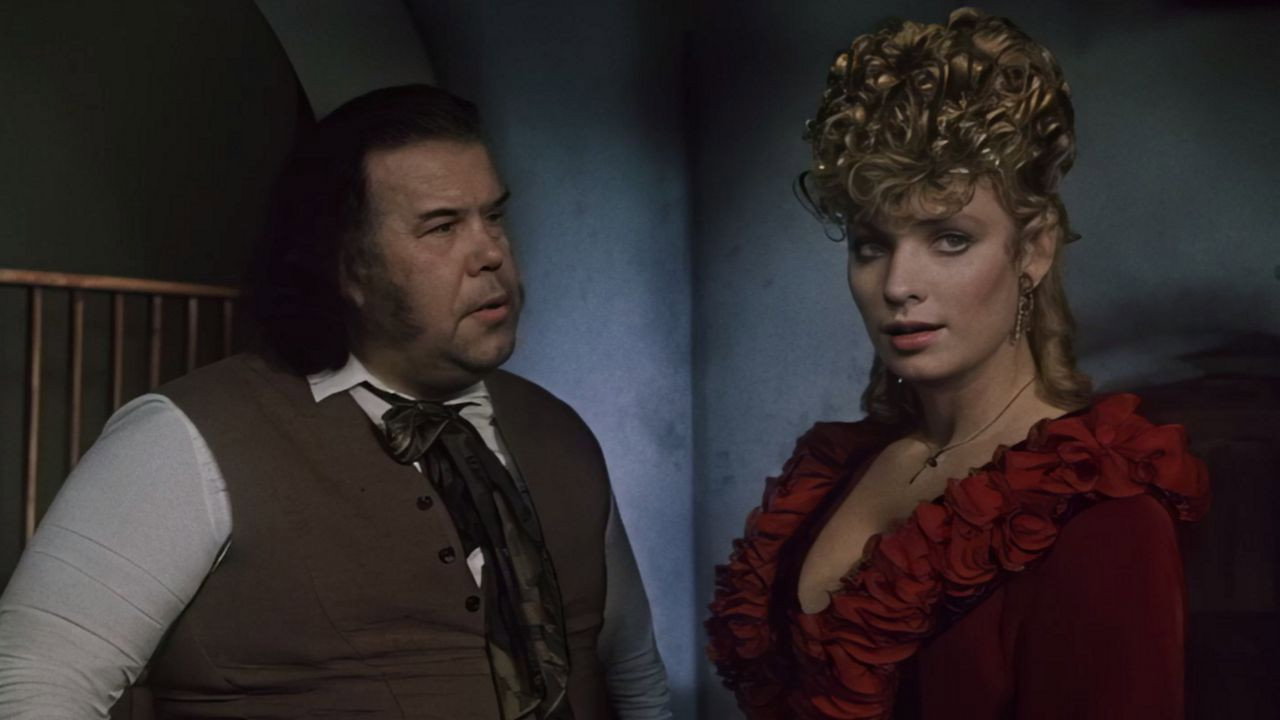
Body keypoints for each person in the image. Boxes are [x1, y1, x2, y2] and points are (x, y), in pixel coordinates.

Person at [0, 84, 671, 719]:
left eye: (493, 215)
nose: (491, 252)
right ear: (349, 267)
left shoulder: (558, 431)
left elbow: (633, 676)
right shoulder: (187, 437)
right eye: (442, 228)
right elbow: (34, 685)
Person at [705, 9, 1209, 720]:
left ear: (1033, 249)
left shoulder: (1102, 520)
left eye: (949, 239)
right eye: (872, 245)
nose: (897, 285)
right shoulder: (833, 473)